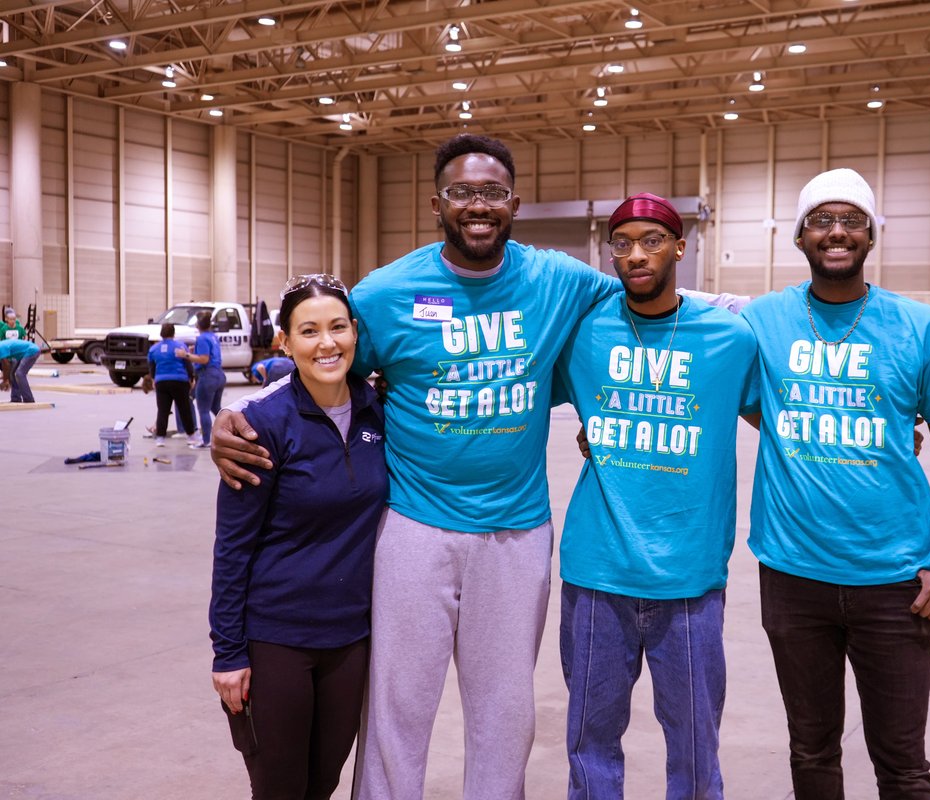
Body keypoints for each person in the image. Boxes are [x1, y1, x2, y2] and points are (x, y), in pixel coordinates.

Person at [213, 133, 624, 800]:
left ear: (514, 202)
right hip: (413, 527)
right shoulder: (386, 292)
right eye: (463, 192)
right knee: (396, 709)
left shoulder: (559, 279)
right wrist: (240, 413)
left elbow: (639, 313)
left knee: (505, 710)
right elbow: (324, 368)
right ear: (438, 204)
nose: (478, 205)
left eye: (492, 192)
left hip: (516, 533)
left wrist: (601, 408)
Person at [741, 168, 930, 799]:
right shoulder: (762, 321)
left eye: (852, 220)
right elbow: (723, 389)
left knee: (903, 763)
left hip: (895, 582)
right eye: (821, 220)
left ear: (872, 235)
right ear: (800, 237)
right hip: (794, 576)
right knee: (811, 749)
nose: (837, 232)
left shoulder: (920, 328)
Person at [552, 194, 758, 799]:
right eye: (622, 242)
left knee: (695, 745)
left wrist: (888, 428)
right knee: (590, 742)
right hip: (597, 572)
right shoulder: (583, 334)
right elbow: (512, 381)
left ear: (679, 247)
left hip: (689, 579)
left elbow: (783, 413)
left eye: (651, 240)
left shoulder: (729, 338)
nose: (636, 254)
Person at [209, 274, 387, 799]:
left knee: (324, 782)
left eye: (337, 327)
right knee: (280, 787)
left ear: (355, 332)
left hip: (350, 638)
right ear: (285, 341)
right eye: (309, 331)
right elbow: (232, 547)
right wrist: (228, 653)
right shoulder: (260, 425)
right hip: (276, 639)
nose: (326, 343)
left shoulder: (380, 408)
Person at [176, 312, 226, 448]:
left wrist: (185, 354)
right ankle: (230, 429)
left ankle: (206, 441)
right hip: (219, 375)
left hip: (207, 375)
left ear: (198, 325)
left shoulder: (202, 338)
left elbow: (204, 359)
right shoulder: (213, 337)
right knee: (216, 407)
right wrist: (195, 351)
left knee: (203, 409)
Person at [147, 323, 201, 447]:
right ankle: (191, 436)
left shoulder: (154, 349)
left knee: (163, 410)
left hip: (161, 381)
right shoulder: (180, 346)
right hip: (179, 381)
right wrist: (191, 378)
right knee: (184, 409)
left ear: (161, 333)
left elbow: (152, 366)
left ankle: (160, 438)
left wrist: (154, 379)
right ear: (173, 333)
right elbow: (187, 363)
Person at [0, 337, 41, 402]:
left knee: (19, 374)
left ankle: (29, 399)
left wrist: (5, 380)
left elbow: (6, 365)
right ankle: (16, 398)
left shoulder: (1, 348)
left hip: (32, 351)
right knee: (12, 374)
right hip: (22, 355)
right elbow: (6, 366)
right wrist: (6, 378)